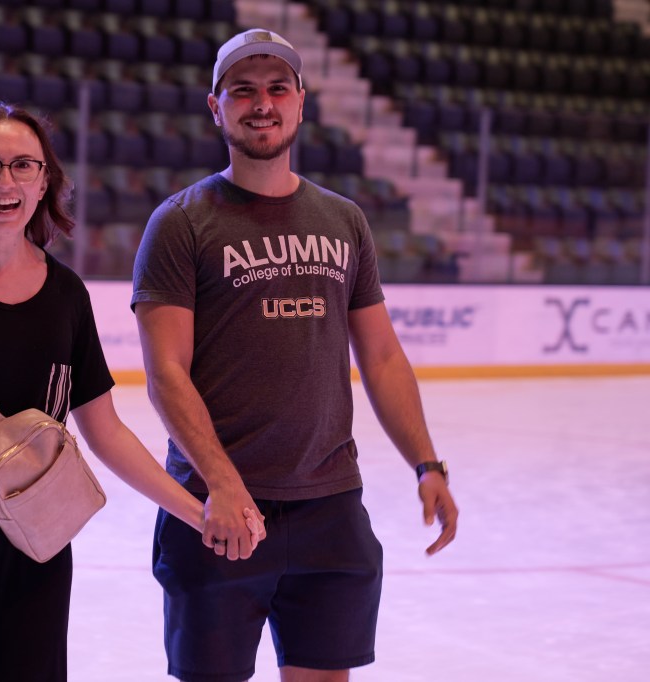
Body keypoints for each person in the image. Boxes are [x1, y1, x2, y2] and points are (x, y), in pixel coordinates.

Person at [0, 103, 263, 682]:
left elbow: (106, 431)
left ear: (44, 183)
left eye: (24, 165)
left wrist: (198, 513)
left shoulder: (66, 294)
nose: (6, 180)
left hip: (35, 547)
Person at [131, 29, 460, 682]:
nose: (262, 104)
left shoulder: (344, 221)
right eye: (243, 91)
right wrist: (223, 484)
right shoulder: (181, 223)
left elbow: (382, 356)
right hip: (217, 507)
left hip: (330, 506)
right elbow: (166, 373)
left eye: (278, 88)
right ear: (216, 106)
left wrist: (427, 463)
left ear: (301, 102)